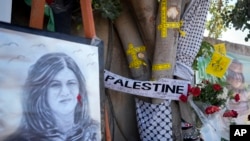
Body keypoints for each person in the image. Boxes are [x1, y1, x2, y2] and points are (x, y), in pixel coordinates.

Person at [5, 52, 100, 141]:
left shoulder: (96, 132)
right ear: (40, 92)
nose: (65, 92)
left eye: (71, 83)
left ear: (80, 88)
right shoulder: (21, 138)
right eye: (55, 85)